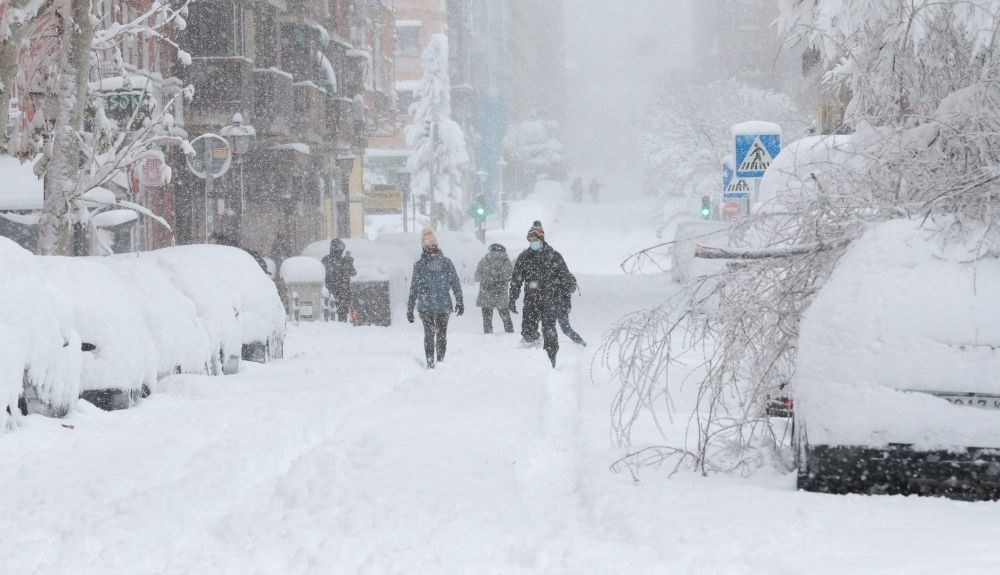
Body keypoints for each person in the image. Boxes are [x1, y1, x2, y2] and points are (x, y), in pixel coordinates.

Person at [509, 220, 576, 368]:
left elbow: (565, 279)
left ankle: (551, 360)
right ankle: (532, 355)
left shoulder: (554, 256)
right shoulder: (524, 257)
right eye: (530, 240)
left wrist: (566, 301)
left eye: (535, 240)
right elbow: (516, 279)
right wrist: (512, 298)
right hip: (531, 300)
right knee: (527, 330)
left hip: (550, 300)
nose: (533, 242)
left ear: (542, 239)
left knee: (550, 332)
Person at [407, 227, 464, 369]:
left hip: (429, 305)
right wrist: (459, 299)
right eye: (426, 246)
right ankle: (437, 361)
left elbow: (414, 287)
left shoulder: (422, 265)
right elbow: (454, 282)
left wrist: (410, 306)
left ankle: (433, 361)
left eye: (430, 245)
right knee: (439, 334)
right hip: (441, 305)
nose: (429, 248)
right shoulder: (445, 262)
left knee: (431, 334)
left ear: (435, 245)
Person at [475, 243, 514, 334]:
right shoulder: (506, 261)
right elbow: (510, 275)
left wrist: (487, 279)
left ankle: (488, 334)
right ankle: (510, 334)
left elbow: (477, 276)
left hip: (486, 294)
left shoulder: (484, 261)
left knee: (487, 320)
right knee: (506, 318)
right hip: (501, 295)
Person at [322, 239, 356, 322]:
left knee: (342, 315)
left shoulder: (344, 260)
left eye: (341, 249)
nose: (340, 251)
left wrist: (349, 263)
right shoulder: (327, 260)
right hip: (332, 293)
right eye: (338, 249)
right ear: (333, 248)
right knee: (331, 316)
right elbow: (328, 273)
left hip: (343, 293)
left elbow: (353, 273)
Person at [557, 273, 586, 346]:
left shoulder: (557, 277)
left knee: (565, 328)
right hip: (561, 307)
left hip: (559, 306)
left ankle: (581, 342)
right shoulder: (561, 275)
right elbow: (567, 295)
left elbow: (565, 294)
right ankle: (580, 341)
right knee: (565, 328)